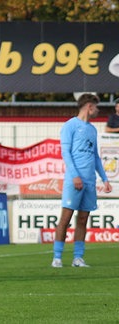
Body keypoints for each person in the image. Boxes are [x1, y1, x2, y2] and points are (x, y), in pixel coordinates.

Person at [51, 94, 112, 268]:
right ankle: (57, 258)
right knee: (66, 218)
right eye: (96, 107)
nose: (98, 110)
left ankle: (78, 258)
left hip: (90, 181)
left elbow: (95, 157)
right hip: (74, 179)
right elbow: (66, 153)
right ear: (89, 107)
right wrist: (75, 175)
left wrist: (105, 179)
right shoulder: (70, 126)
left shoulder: (92, 129)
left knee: (83, 219)